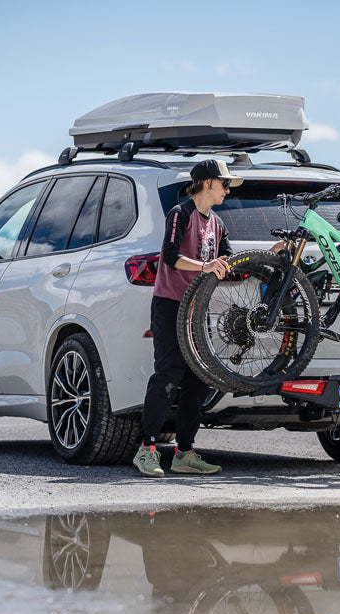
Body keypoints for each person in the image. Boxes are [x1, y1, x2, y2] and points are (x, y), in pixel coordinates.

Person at [132, 158, 242, 478]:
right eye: (224, 183)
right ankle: (147, 449)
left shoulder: (217, 223)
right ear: (207, 183)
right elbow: (170, 256)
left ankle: (185, 453)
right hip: (170, 305)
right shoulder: (180, 213)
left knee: (197, 379)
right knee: (168, 374)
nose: (227, 190)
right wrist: (204, 266)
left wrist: (272, 253)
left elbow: (230, 260)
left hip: (197, 309)